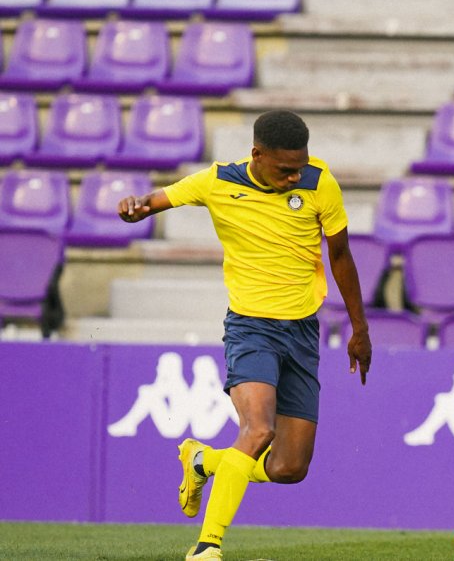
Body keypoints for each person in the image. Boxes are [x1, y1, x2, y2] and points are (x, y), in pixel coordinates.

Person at [118, 111, 373, 561]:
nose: (295, 175)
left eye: (300, 166)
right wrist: (135, 206)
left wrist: (360, 328)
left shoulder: (320, 184)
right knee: (257, 430)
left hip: (301, 333)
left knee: (290, 467)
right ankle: (206, 545)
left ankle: (203, 462)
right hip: (251, 328)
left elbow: (342, 257)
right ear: (257, 154)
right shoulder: (217, 182)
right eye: (285, 169)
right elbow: (156, 200)